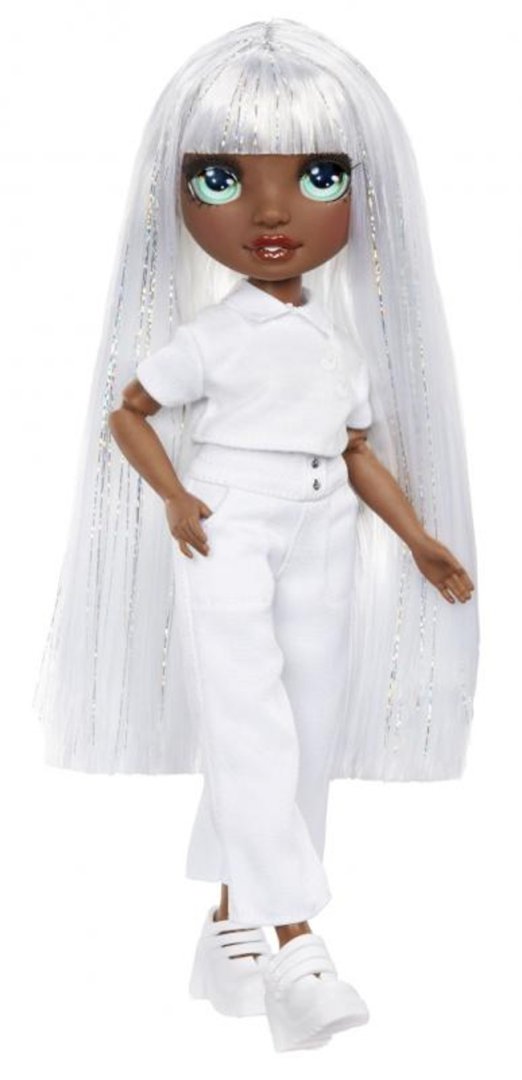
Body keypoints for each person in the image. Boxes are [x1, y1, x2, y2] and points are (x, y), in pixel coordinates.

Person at [33, 18, 479, 1052]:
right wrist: (176, 499)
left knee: (306, 722)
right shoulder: (211, 338)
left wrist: (417, 537)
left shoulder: (338, 344)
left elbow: (356, 449)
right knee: (249, 722)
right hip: (229, 519)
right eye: (223, 180)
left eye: (320, 177)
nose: (273, 212)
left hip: (325, 519)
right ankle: (293, 944)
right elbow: (128, 414)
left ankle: (230, 925)